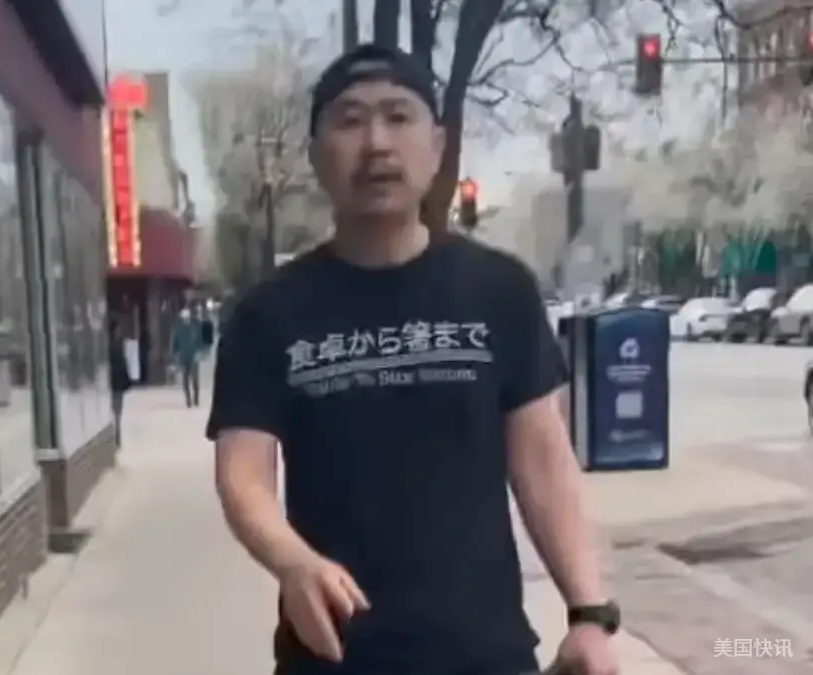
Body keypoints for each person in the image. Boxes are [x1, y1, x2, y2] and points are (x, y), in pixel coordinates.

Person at [206, 44, 618, 675]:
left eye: (398, 117)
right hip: (332, 657)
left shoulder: (499, 291)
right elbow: (243, 477)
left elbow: (542, 462)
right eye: (350, 121)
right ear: (316, 155)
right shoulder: (267, 315)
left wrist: (589, 614)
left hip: (486, 658)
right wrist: (291, 560)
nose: (377, 143)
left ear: (438, 144)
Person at [172, 308, 204, 408]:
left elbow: (200, 342)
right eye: (184, 318)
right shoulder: (179, 331)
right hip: (184, 357)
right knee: (185, 380)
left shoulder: (194, 329)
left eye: (186, 318)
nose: (185, 319)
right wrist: (176, 356)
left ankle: (196, 399)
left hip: (193, 356)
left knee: (194, 379)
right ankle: (188, 400)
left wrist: (199, 352)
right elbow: (175, 345)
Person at [108, 318, 132, 446]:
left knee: (115, 410)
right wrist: (126, 380)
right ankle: (117, 436)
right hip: (116, 382)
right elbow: (122, 365)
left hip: (113, 382)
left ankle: (116, 435)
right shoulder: (116, 346)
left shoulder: (110, 345)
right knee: (117, 410)